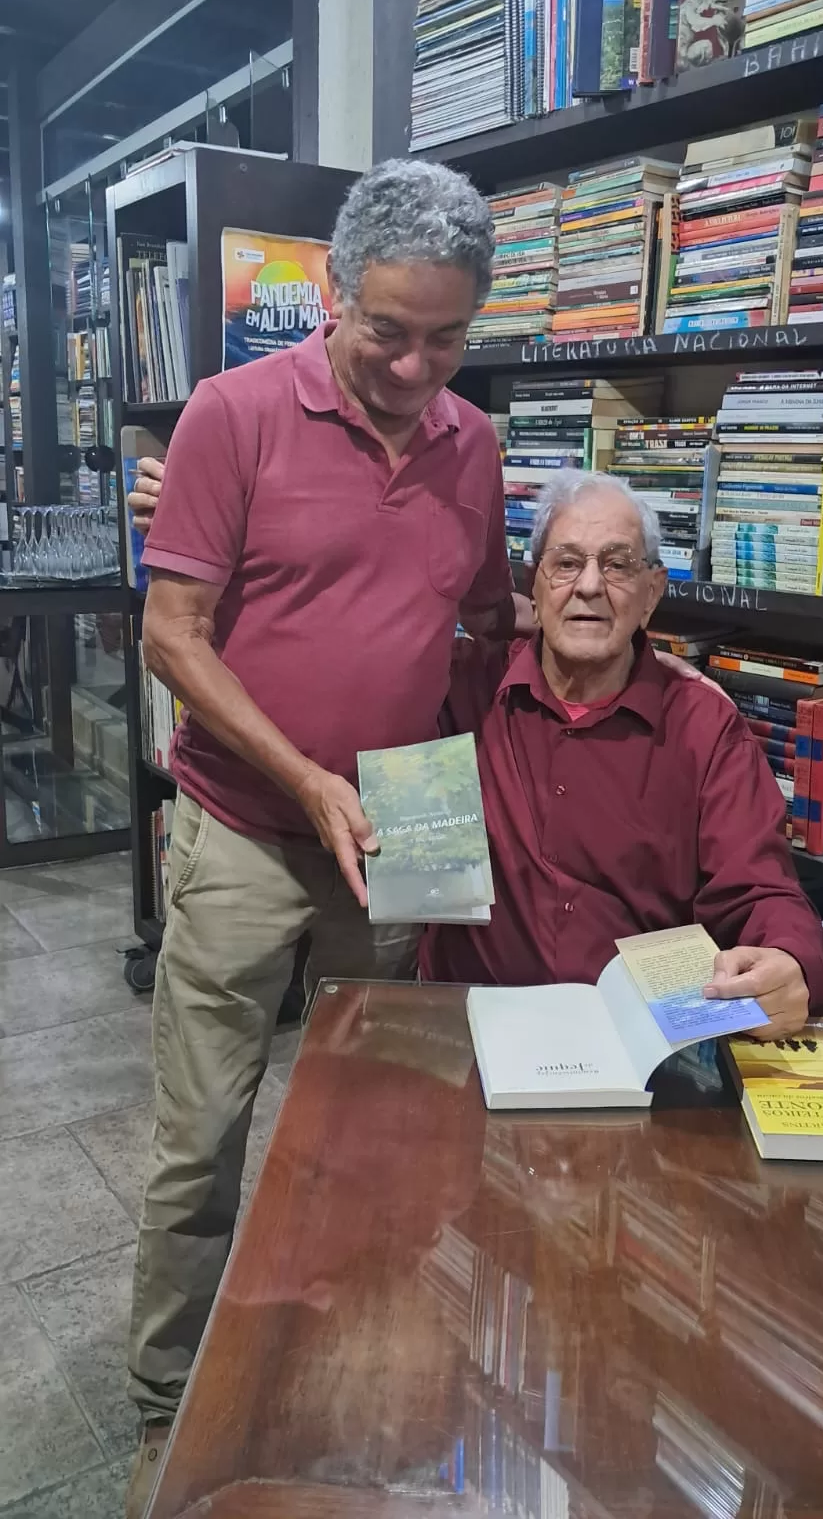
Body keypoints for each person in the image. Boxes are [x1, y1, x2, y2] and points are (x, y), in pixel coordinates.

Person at [123, 156, 531, 1516]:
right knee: (203, 1138)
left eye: (448, 340)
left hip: (406, 817)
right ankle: (168, 1407)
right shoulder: (232, 415)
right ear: (334, 296)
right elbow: (172, 637)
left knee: (378, 1132)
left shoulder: (475, 446)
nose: (417, 369)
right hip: (247, 825)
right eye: (389, 332)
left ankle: (344, 1366)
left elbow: (484, 623)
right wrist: (306, 778)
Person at [422, 470, 823, 1030]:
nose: (590, 586)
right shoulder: (459, 690)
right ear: (534, 585)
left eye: (618, 565)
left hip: (641, 1038)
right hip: (470, 1022)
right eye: (567, 563)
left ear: (651, 594)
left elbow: (760, 889)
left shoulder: (703, 726)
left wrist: (791, 960)